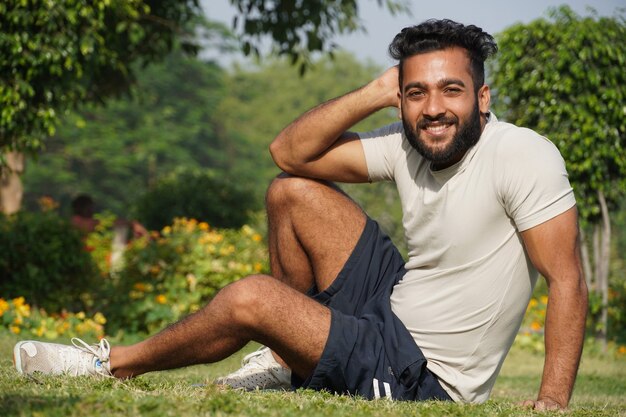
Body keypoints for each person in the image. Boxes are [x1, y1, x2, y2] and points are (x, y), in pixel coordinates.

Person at [13, 19, 587, 410]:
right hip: (391, 308)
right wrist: (374, 91)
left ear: (482, 99)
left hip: (422, 374)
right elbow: (291, 153)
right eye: (416, 93)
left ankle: (110, 366)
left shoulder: (521, 155)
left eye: (451, 90)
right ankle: (289, 360)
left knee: (251, 299)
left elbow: (566, 278)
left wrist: (553, 402)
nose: (433, 109)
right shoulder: (412, 141)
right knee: (292, 193)